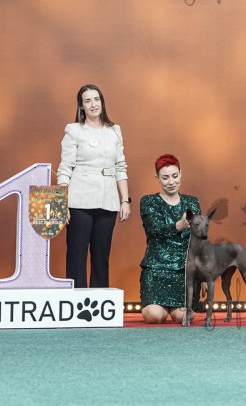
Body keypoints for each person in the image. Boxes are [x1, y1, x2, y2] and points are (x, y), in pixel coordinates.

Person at [56, 84, 131, 288]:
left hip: (107, 200)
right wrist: (62, 202)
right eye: (87, 101)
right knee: (76, 256)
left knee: (101, 258)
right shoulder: (73, 130)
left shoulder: (114, 131)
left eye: (96, 99)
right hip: (79, 201)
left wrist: (125, 200)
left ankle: (99, 301)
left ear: (102, 102)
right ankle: (75, 302)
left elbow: (120, 166)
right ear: (81, 106)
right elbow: (65, 167)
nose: (93, 104)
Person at [139, 154, 201, 324]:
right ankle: (161, 307)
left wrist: (202, 274)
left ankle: (175, 309)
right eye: (165, 178)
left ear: (181, 174)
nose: (171, 182)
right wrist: (179, 225)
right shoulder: (149, 202)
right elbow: (155, 231)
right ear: (157, 178)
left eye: (175, 176)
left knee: (185, 316)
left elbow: (198, 240)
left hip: (184, 272)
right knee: (154, 316)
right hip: (156, 269)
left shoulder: (192, 202)